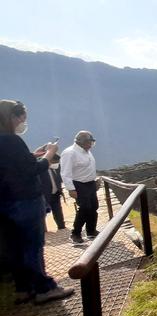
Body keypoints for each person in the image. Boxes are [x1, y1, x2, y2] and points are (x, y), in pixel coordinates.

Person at [0, 99, 74, 304]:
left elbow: (13, 166)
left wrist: (33, 155)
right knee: (33, 245)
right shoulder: (11, 140)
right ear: (12, 117)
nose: (24, 121)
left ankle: (23, 289)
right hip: (24, 200)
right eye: (22, 116)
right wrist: (49, 154)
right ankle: (44, 289)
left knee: (14, 246)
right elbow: (31, 170)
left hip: (4, 202)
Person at [60, 131, 99, 244]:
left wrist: (94, 180)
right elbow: (65, 173)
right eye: (89, 142)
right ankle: (75, 233)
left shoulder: (87, 152)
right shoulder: (70, 153)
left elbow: (88, 168)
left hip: (90, 184)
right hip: (79, 184)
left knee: (94, 207)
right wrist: (71, 189)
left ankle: (91, 231)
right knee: (84, 208)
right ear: (82, 142)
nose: (91, 145)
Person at [39, 154, 65, 230]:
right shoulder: (41, 170)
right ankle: (44, 231)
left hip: (56, 194)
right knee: (43, 214)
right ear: (49, 160)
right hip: (44, 196)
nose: (56, 164)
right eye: (55, 162)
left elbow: (60, 179)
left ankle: (62, 227)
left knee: (58, 211)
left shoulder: (56, 168)